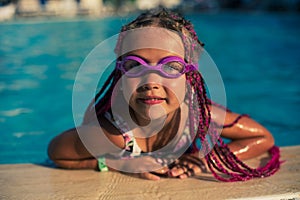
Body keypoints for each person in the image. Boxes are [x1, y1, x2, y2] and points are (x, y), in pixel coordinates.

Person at [47, 7, 281, 181]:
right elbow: (57, 153)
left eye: (171, 66)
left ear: (190, 75)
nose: (151, 82)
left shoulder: (197, 116)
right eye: (134, 65)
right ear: (120, 72)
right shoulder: (114, 134)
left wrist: (201, 160)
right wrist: (115, 163)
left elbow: (263, 138)